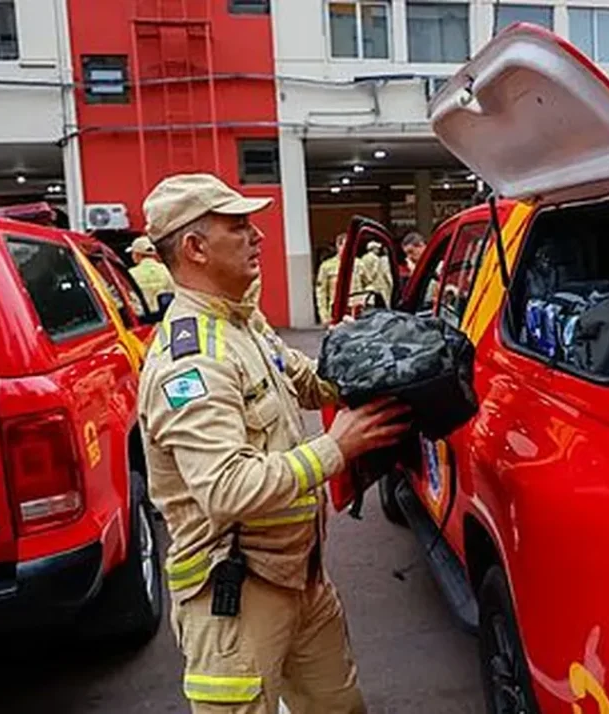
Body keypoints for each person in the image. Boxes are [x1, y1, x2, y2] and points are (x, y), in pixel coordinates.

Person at [136, 173, 410, 714]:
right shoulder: (190, 362)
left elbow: (308, 381)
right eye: (238, 226)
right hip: (234, 599)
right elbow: (228, 488)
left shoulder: (245, 324)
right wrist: (337, 448)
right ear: (194, 248)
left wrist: (380, 357)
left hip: (302, 576)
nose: (257, 236)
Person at [315, 233, 369, 323]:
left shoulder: (359, 264)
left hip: (356, 312)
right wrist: (324, 315)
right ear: (338, 246)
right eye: (345, 246)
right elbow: (321, 293)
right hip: (337, 311)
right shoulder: (327, 266)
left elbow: (370, 284)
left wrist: (366, 301)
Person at [127, 235, 175, 310]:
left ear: (137, 254)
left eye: (132, 253)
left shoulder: (131, 273)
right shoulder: (166, 270)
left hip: (143, 318)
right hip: (167, 315)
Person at [359, 240, 394, 308]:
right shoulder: (377, 259)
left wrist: (367, 281)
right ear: (374, 249)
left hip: (367, 289)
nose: (378, 250)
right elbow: (385, 273)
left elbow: (361, 273)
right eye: (377, 249)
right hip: (380, 288)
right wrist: (391, 284)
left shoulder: (363, 258)